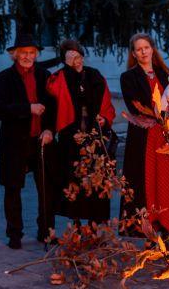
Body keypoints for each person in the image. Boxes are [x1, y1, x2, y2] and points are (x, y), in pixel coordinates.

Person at [120, 33, 169, 239]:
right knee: (147, 183)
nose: (143, 52)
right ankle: (148, 231)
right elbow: (134, 106)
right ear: (134, 54)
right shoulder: (128, 78)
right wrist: (161, 115)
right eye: (139, 49)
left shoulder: (166, 73)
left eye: (146, 47)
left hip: (168, 137)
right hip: (144, 138)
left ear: (152, 48)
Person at [0, 32, 57, 249]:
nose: (28, 56)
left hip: (41, 141)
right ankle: (14, 234)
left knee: (46, 188)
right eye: (23, 53)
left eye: (31, 53)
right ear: (15, 55)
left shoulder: (44, 75)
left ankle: (46, 232)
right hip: (14, 142)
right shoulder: (3, 78)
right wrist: (28, 109)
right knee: (12, 189)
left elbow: (53, 107)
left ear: (36, 55)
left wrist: (50, 129)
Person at [46, 42, 116, 224]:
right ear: (65, 60)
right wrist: (69, 70)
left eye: (78, 55)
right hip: (71, 139)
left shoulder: (94, 75)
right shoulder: (60, 77)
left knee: (96, 181)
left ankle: (95, 226)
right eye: (70, 56)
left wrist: (105, 119)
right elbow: (53, 92)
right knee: (73, 180)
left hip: (94, 137)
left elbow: (107, 104)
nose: (76, 60)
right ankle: (76, 227)